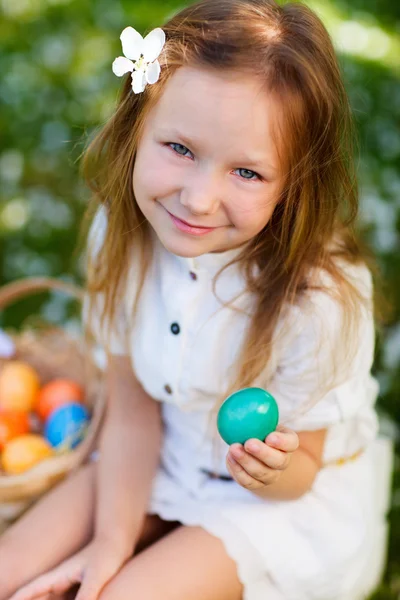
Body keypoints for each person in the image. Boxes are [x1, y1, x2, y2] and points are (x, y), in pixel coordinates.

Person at [0, 1, 393, 599]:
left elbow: (302, 472)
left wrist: (272, 469)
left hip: (272, 506)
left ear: (294, 183)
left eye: (248, 174)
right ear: (138, 129)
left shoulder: (318, 300)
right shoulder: (123, 237)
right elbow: (132, 413)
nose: (200, 199)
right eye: (180, 149)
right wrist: (110, 543)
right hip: (161, 456)